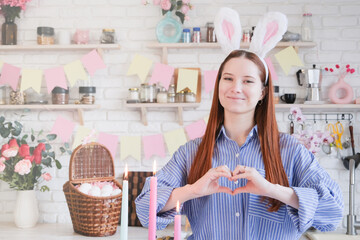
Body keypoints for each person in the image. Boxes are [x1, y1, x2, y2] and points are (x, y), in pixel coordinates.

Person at [135, 49, 343, 240]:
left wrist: (273, 190)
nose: (235, 88)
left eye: (248, 81)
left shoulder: (290, 151)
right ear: (218, 86)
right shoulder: (190, 152)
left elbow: (332, 212)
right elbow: (144, 210)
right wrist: (192, 190)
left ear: (262, 92)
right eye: (228, 79)